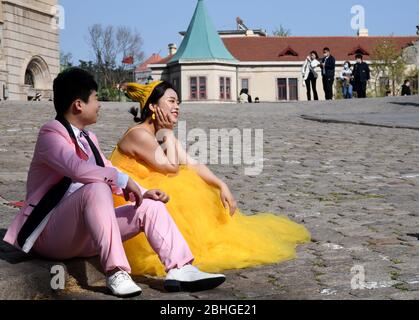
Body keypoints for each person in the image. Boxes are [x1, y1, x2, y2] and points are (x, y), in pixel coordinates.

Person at [2, 68, 226, 298]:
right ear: (79, 105)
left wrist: (143, 191)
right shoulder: (51, 133)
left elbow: (109, 168)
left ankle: (180, 268)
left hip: (85, 233)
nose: (100, 105)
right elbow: (78, 170)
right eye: (96, 98)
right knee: (96, 187)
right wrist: (122, 180)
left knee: (150, 206)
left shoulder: (90, 138)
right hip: (50, 234)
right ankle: (116, 271)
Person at [110, 81, 311, 277]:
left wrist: (221, 184)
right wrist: (168, 133)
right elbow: (171, 168)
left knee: (195, 184)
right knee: (180, 186)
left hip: (149, 191)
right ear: (153, 106)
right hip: (129, 200)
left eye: (178, 102)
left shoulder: (160, 134)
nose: (176, 107)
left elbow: (191, 163)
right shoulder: (140, 135)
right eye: (171, 101)